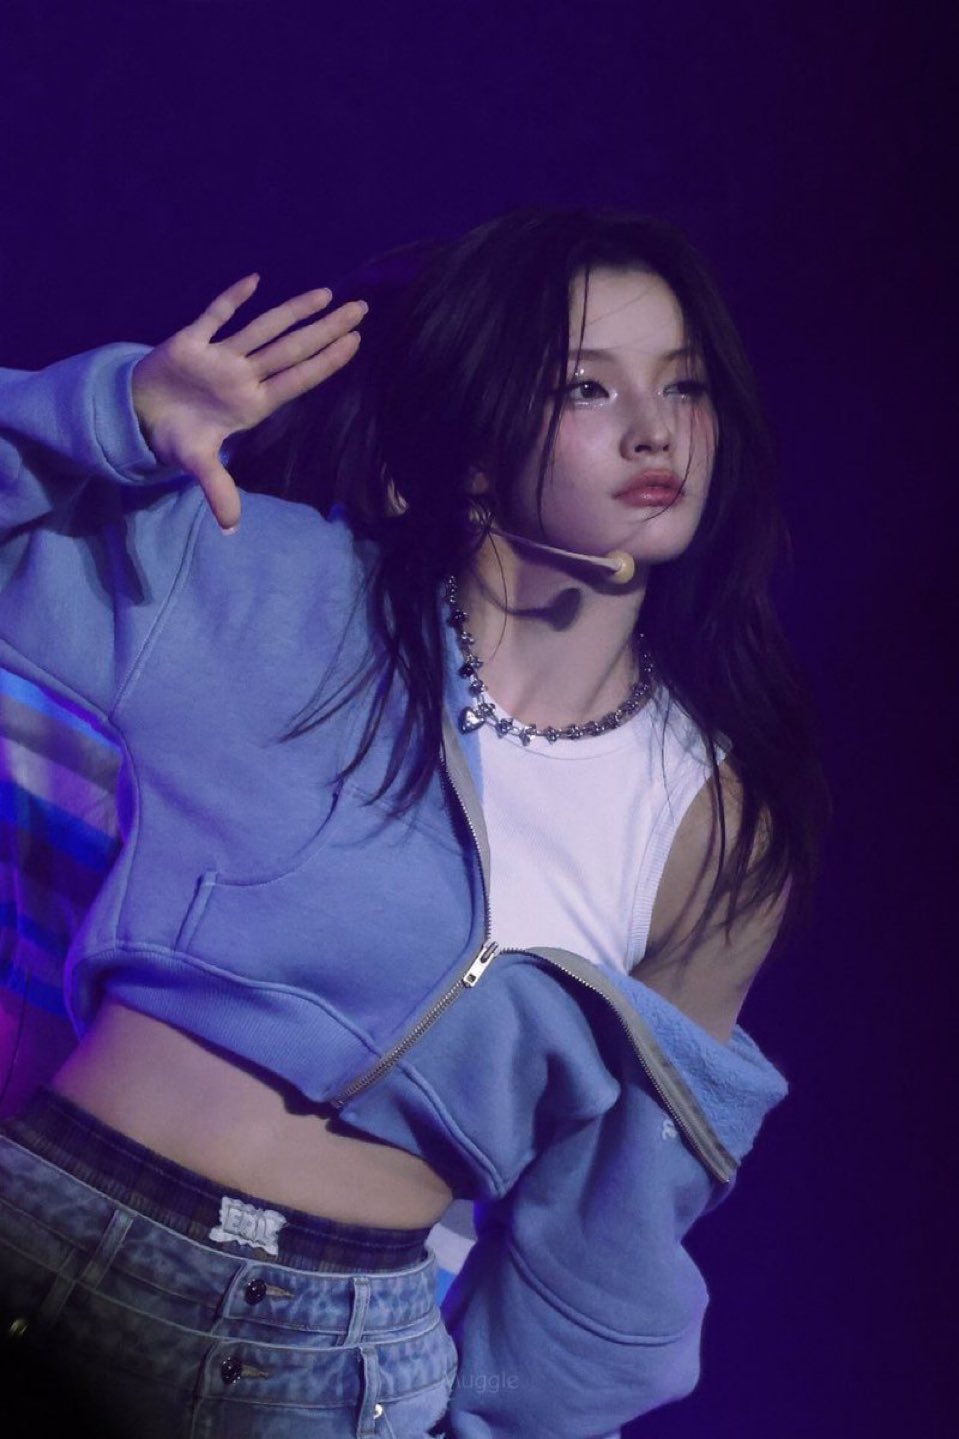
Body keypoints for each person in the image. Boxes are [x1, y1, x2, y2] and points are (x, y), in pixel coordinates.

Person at [0, 208, 827, 1438]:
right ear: (475, 444)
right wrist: (113, 416)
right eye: (586, 386)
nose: (655, 430)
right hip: (48, 1239)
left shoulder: (716, 828)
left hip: (331, 1367)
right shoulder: (268, 580)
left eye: (684, 385)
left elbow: (609, 1218)